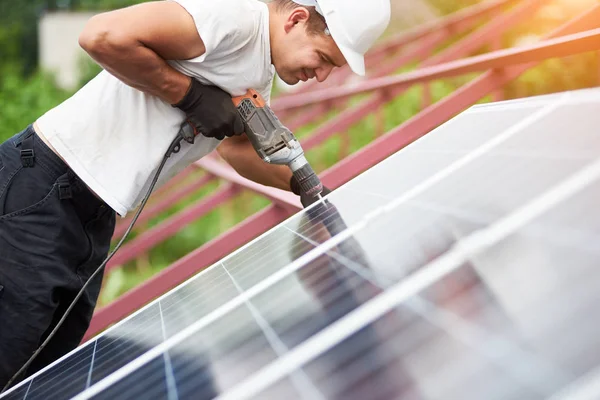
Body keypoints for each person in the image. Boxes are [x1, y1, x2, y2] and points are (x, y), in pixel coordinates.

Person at [0, 0, 390, 388]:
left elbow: (236, 147)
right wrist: (190, 96)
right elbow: (101, 36)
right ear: (296, 19)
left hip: (92, 213)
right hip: (43, 187)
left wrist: (307, 188)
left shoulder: (258, 71)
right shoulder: (233, 19)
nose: (321, 75)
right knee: (11, 355)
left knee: (42, 371)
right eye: (323, 58)